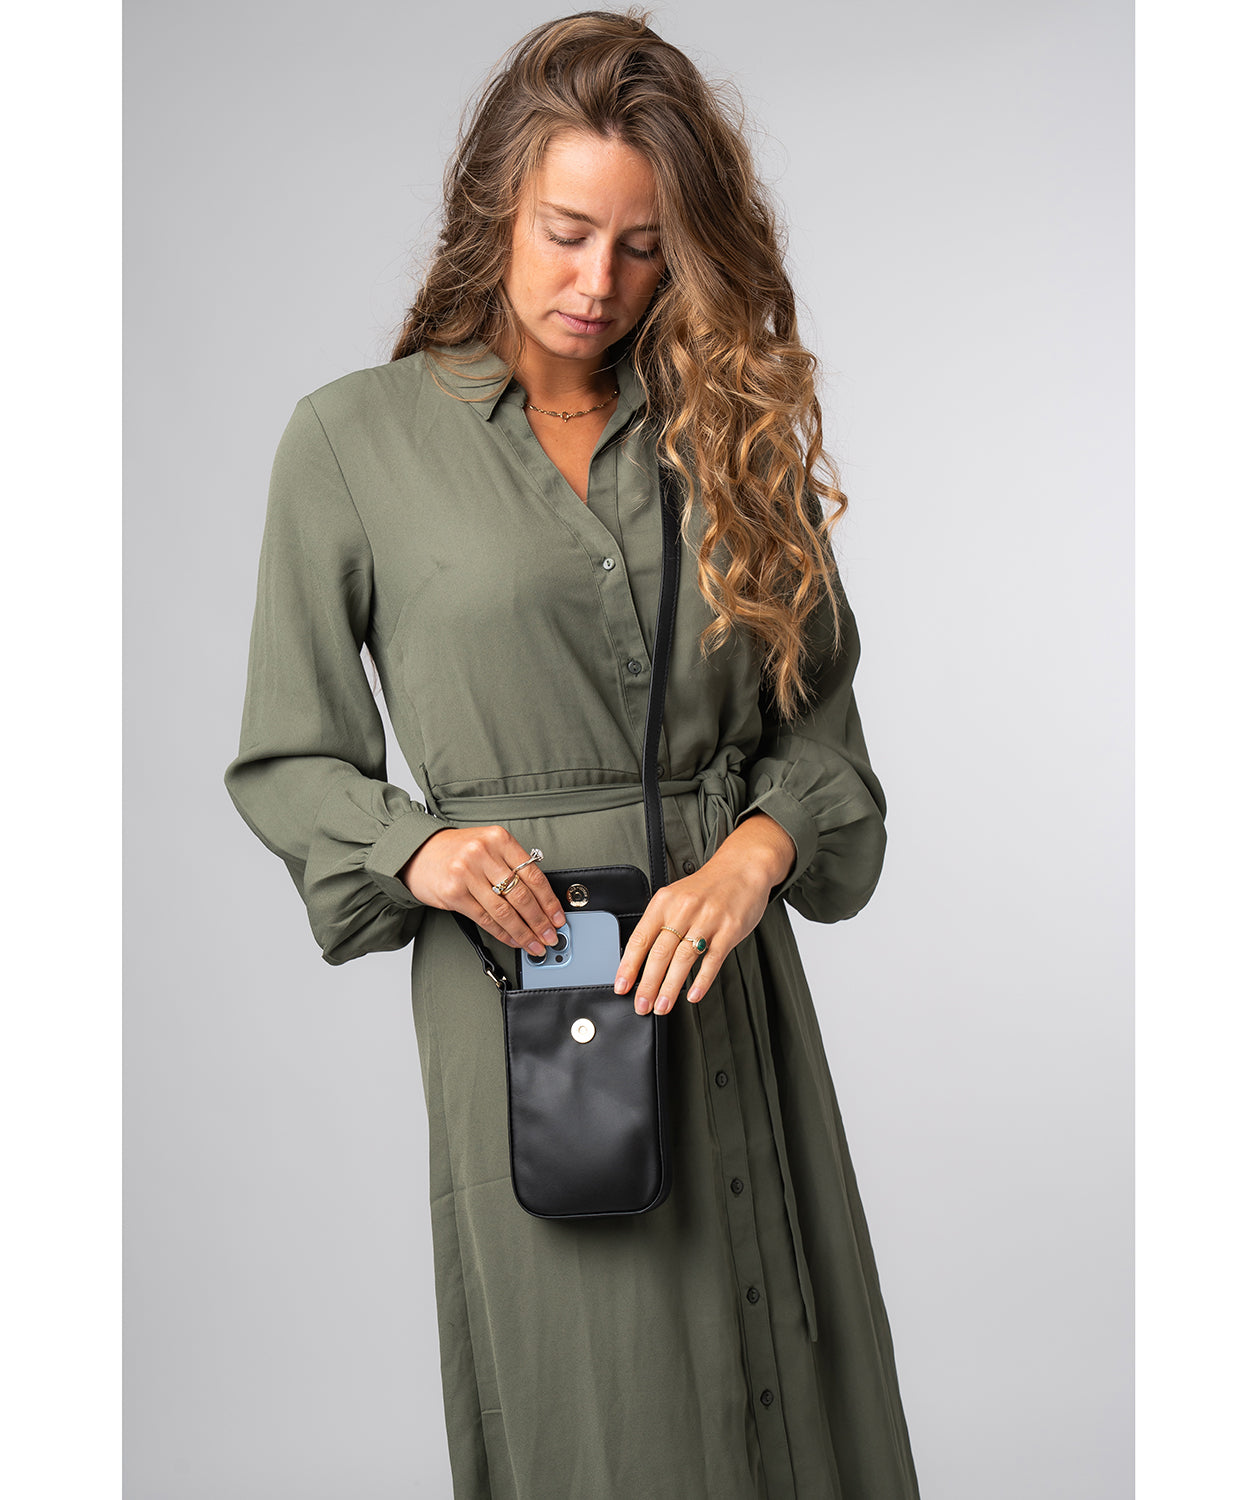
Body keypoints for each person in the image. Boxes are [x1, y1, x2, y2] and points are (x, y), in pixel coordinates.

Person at [224, 9, 920, 1498]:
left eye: (644, 247)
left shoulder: (725, 433)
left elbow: (826, 745)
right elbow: (287, 758)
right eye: (565, 233)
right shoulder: (349, 443)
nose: (598, 282)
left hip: (726, 976)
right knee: (601, 1414)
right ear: (494, 208)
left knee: (786, 1380)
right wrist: (418, 847)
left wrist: (755, 855)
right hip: (531, 993)